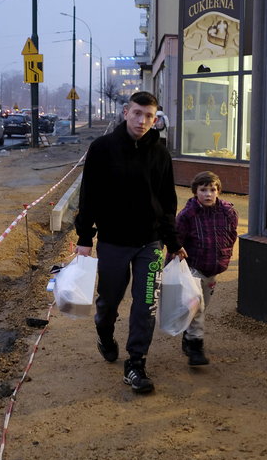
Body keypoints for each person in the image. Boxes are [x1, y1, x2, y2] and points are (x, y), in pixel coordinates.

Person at [75, 91, 186, 394]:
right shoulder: (102, 149)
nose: (142, 121)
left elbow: (167, 201)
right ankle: (104, 331)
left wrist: (173, 243)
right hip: (113, 241)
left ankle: (136, 363)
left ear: (156, 118)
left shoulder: (160, 154)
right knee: (109, 300)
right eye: (137, 113)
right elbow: (89, 196)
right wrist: (84, 237)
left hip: (150, 243)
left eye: (149, 116)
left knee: (146, 303)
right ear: (125, 112)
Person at [171, 171, 238, 366]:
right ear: (195, 192)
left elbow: (231, 235)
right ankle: (196, 348)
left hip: (213, 267)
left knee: (201, 306)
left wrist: (224, 254)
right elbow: (176, 240)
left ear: (218, 191)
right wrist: (172, 265)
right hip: (192, 266)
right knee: (197, 305)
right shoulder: (187, 215)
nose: (208, 194)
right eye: (203, 190)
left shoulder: (228, 212)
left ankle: (188, 335)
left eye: (212, 190)